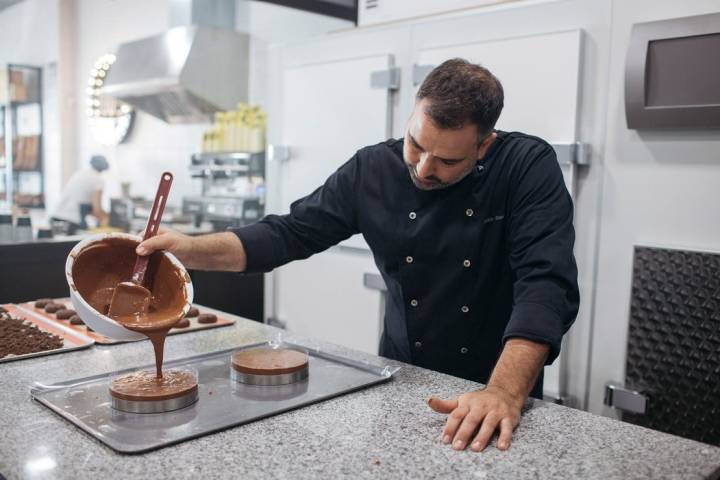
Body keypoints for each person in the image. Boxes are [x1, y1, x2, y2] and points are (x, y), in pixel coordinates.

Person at [138, 59, 579, 453]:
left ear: (484, 146)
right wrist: (189, 250)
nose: (423, 169)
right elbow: (288, 233)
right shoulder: (373, 169)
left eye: (446, 161)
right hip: (405, 377)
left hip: (498, 389)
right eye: (415, 144)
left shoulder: (524, 166)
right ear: (412, 114)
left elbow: (545, 285)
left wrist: (503, 392)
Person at [51, 155, 110, 234]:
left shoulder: (79, 174)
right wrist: (109, 219)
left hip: (56, 218)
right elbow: (97, 210)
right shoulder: (98, 179)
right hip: (71, 222)